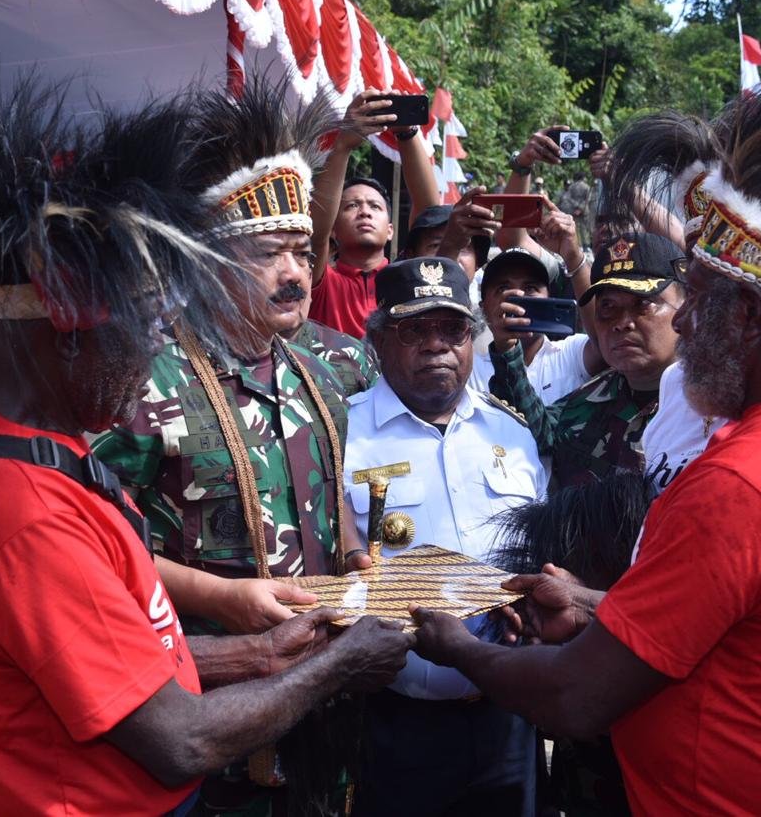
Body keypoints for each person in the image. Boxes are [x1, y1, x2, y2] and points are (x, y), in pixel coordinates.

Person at [411, 64, 761, 814]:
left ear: (753, 319)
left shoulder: (743, 484)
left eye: (702, 302)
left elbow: (574, 699)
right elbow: (757, 627)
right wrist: (598, 607)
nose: (683, 323)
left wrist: (457, 645)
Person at [0, 75, 413, 816]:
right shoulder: (24, 512)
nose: (149, 357)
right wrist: (336, 662)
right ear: (71, 324)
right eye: (141, 331)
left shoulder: (19, 450)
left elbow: (98, 654)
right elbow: (178, 739)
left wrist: (261, 654)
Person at [90, 78, 368, 814]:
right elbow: (96, 552)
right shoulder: (142, 385)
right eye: (270, 253)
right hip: (197, 717)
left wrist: (363, 562)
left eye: (303, 251)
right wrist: (220, 596)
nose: (295, 272)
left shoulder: (320, 373)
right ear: (210, 263)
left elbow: (325, 492)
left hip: (317, 712)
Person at [344, 256, 547, 817]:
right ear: (381, 340)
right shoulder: (342, 433)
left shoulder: (511, 430)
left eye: (452, 329)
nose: (437, 345)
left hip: (508, 712)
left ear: (471, 340)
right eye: (415, 329)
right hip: (395, 724)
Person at [488, 233, 684, 496]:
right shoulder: (585, 402)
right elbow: (534, 433)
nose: (622, 322)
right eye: (608, 307)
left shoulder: (713, 405)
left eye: (643, 304)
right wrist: (508, 350)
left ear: (685, 307)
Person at [308, 90, 439, 337]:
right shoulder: (322, 282)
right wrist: (343, 145)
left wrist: (407, 133)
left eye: (375, 206)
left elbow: (431, 216)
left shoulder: (408, 279)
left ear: (390, 229)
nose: (364, 212)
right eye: (351, 206)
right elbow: (316, 233)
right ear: (333, 230)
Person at [469, 242, 602, 404]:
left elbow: (604, 341)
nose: (518, 297)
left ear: (548, 298)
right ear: (484, 308)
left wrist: (574, 258)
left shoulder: (572, 353)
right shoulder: (470, 369)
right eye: (503, 289)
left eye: (530, 288)